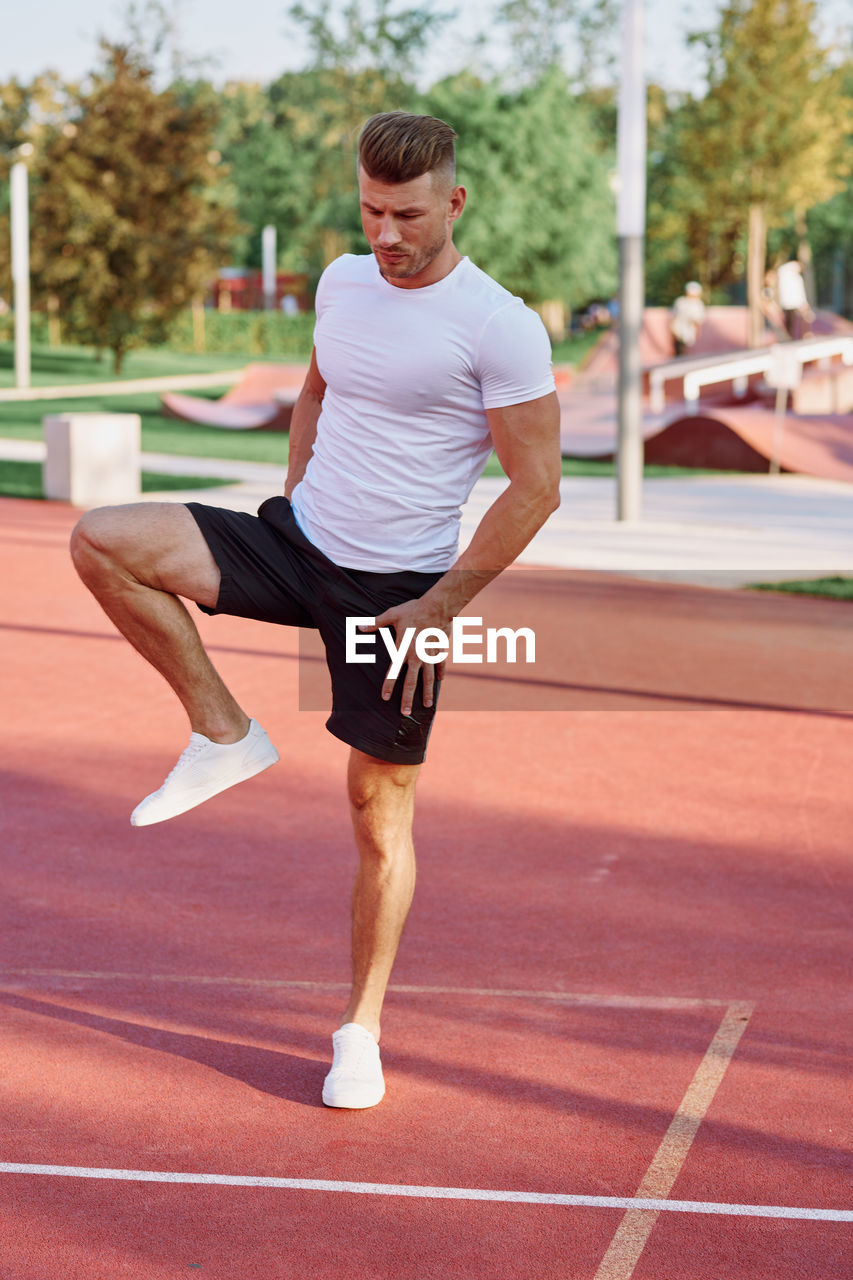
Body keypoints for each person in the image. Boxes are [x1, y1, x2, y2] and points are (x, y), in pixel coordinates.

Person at [70, 111, 561, 1110]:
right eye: (373, 209)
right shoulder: (343, 281)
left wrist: (443, 603)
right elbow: (315, 390)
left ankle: (359, 1029)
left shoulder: (498, 323)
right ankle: (223, 728)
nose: (387, 234)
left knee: (378, 814)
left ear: (454, 203)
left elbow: (535, 485)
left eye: (408, 214)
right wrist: (294, 489)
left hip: (397, 596)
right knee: (102, 538)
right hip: (298, 542)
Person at [774, 260, 814, 340]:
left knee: (798, 318)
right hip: (792, 302)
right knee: (792, 319)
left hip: (792, 302)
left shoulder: (789, 275)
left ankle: (801, 334)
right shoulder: (791, 276)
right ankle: (795, 335)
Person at [669, 281, 706, 357]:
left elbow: (698, 320)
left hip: (689, 334)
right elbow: (674, 317)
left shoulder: (698, 304)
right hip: (679, 332)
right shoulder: (680, 302)